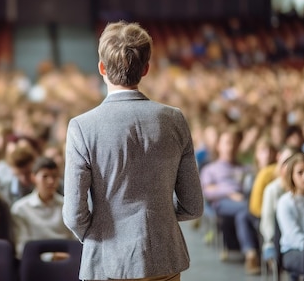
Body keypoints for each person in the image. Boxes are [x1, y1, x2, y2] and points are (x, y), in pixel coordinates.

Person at [63, 21, 203, 281]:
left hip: (107, 260)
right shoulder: (174, 119)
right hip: (165, 259)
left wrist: (99, 234)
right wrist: (158, 215)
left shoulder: (82, 127)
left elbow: (73, 214)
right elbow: (193, 206)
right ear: (146, 69)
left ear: (102, 68)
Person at [201, 128, 260, 275]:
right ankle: (256, 248)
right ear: (219, 146)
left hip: (244, 202)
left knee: (243, 213)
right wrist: (229, 192)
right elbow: (207, 191)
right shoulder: (211, 169)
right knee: (246, 209)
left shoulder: (244, 168)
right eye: (227, 143)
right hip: (222, 203)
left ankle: (250, 254)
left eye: (234, 143)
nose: (231, 146)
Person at [11, 156, 75, 258]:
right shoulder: (20, 209)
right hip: (36, 262)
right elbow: (21, 247)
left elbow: (75, 241)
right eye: (45, 176)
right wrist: (50, 256)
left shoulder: (67, 206)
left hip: (66, 260)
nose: (51, 181)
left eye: (54, 176)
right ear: (33, 178)